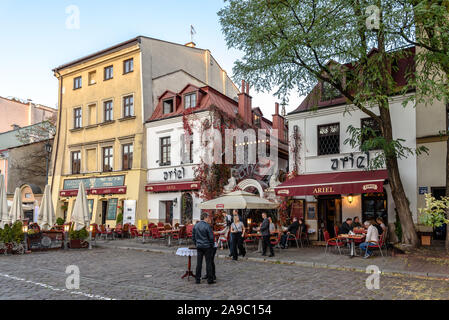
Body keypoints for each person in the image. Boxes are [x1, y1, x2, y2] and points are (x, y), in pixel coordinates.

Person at [192, 213, 215, 284]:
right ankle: (210, 280)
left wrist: (196, 244)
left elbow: (193, 237)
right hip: (207, 246)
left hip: (199, 246)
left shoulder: (196, 225)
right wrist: (211, 245)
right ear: (205, 218)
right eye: (208, 217)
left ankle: (197, 279)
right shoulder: (207, 226)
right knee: (208, 263)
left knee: (199, 263)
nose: (208, 219)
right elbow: (211, 237)